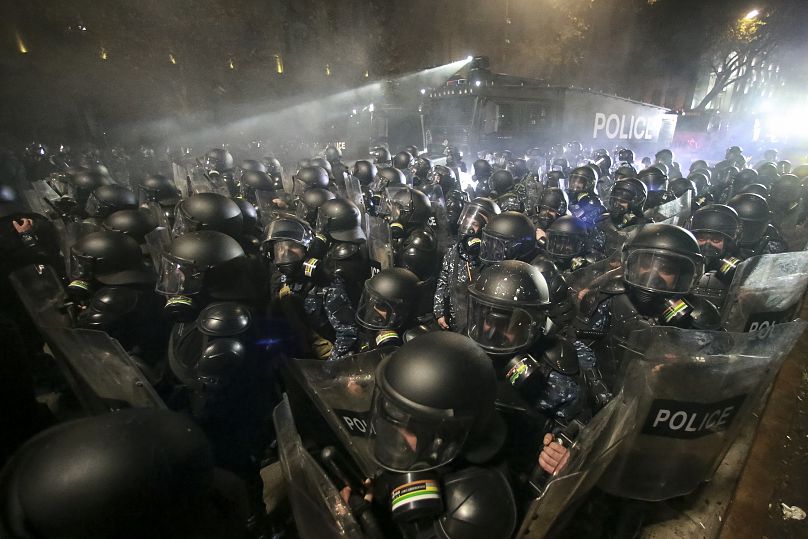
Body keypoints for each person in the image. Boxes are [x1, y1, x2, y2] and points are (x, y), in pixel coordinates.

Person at [434, 197, 501, 332]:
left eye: (475, 223)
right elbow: (443, 280)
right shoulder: (454, 252)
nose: (468, 226)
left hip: (482, 328)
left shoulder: (494, 259)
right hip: (456, 323)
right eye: (466, 220)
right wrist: (439, 311)